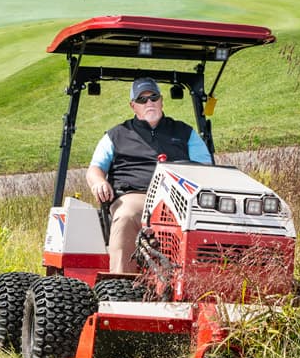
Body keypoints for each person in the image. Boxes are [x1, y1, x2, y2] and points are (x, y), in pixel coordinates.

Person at [85, 77, 212, 273]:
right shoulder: (116, 135)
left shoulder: (184, 132)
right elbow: (95, 169)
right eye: (142, 100)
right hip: (136, 196)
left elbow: (206, 168)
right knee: (126, 216)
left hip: (179, 197)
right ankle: (122, 284)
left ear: (161, 100)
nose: (149, 103)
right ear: (133, 105)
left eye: (153, 97)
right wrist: (99, 182)